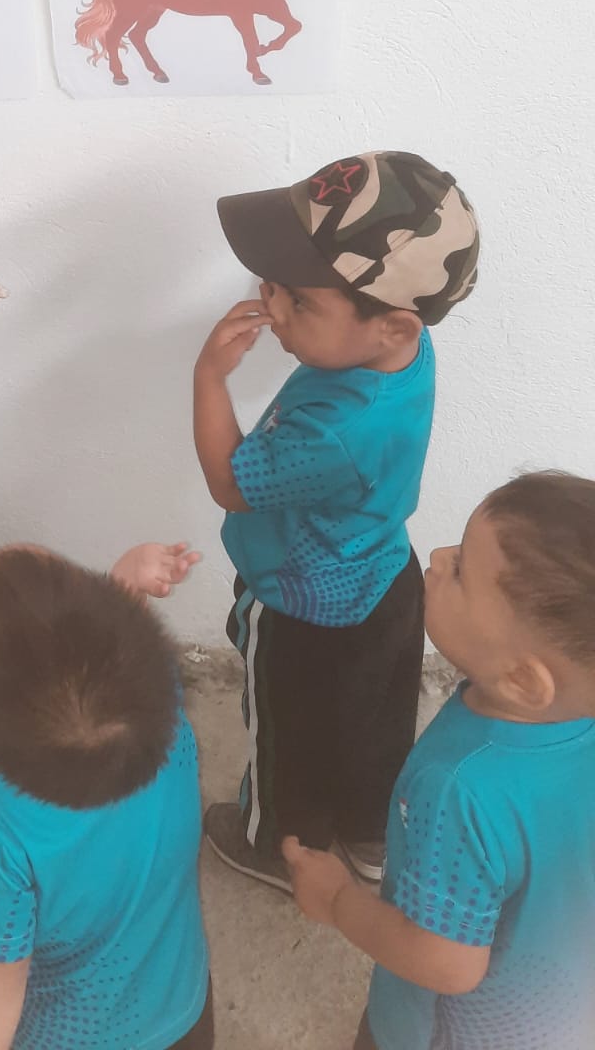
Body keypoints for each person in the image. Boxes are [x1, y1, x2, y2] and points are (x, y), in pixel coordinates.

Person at [193, 152, 480, 890]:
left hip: (298, 606)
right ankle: (370, 832)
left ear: (390, 325)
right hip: (383, 577)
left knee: (288, 738)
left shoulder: (336, 433)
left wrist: (209, 378)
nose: (271, 306)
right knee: (373, 717)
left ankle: (275, 847)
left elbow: (229, 483)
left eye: (298, 300)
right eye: (274, 285)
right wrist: (308, 307)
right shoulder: (409, 348)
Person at [284, 472, 595, 1050]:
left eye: (460, 571)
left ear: (523, 681)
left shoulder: (459, 787)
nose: (436, 556)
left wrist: (337, 900)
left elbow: (445, 962)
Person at [0, 540, 211, 1050]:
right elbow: (107, 681)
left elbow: (1, 974)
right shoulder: (161, 708)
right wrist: (122, 588)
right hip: (183, 1010)